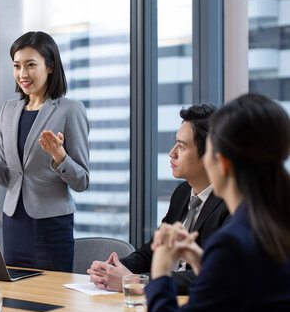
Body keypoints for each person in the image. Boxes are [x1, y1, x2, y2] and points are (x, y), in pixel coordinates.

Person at [147, 93, 290, 312]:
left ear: (221, 163)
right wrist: (205, 263)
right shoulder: (274, 223)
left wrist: (160, 274)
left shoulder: (234, 243)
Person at [0, 31, 89, 272]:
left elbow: (82, 181)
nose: (23, 74)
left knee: (50, 299)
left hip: (51, 225)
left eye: (31, 65)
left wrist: (59, 157)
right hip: (13, 222)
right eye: (17, 65)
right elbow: (10, 177)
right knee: (15, 296)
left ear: (50, 66)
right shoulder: (8, 110)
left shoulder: (70, 110)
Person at [88, 104, 229, 294]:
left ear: (209, 155)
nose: (172, 153)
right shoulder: (182, 193)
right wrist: (114, 269)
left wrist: (135, 281)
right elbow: (153, 250)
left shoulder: (231, 204)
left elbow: (213, 275)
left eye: (181, 146)